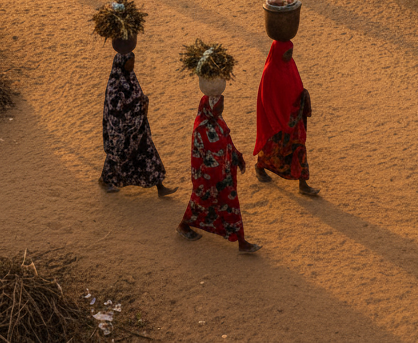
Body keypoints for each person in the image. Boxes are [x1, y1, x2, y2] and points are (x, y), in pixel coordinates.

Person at [177, 92, 260, 253]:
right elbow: (202, 157)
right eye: (219, 105)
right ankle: (184, 225)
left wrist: (236, 156)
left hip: (222, 174)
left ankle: (241, 241)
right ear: (210, 107)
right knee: (206, 203)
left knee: (223, 205)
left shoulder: (217, 121)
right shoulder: (201, 129)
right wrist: (216, 176)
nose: (222, 108)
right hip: (210, 177)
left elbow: (227, 140)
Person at [100, 48, 177, 199]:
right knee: (117, 156)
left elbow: (137, 96)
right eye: (129, 63)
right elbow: (114, 107)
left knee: (148, 152)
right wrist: (135, 107)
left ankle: (160, 187)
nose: (132, 65)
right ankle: (106, 180)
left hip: (138, 126)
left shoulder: (131, 78)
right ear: (121, 64)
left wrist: (142, 102)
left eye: (133, 62)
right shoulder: (114, 84)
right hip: (122, 129)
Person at [255, 40, 319, 195]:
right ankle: (260, 167)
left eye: (291, 52)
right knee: (273, 149)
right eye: (287, 52)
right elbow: (267, 100)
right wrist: (277, 120)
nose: (290, 55)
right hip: (277, 120)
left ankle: (303, 184)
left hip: (293, 117)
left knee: (299, 147)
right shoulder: (269, 71)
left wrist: (302, 98)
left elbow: (295, 86)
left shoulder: (290, 64)